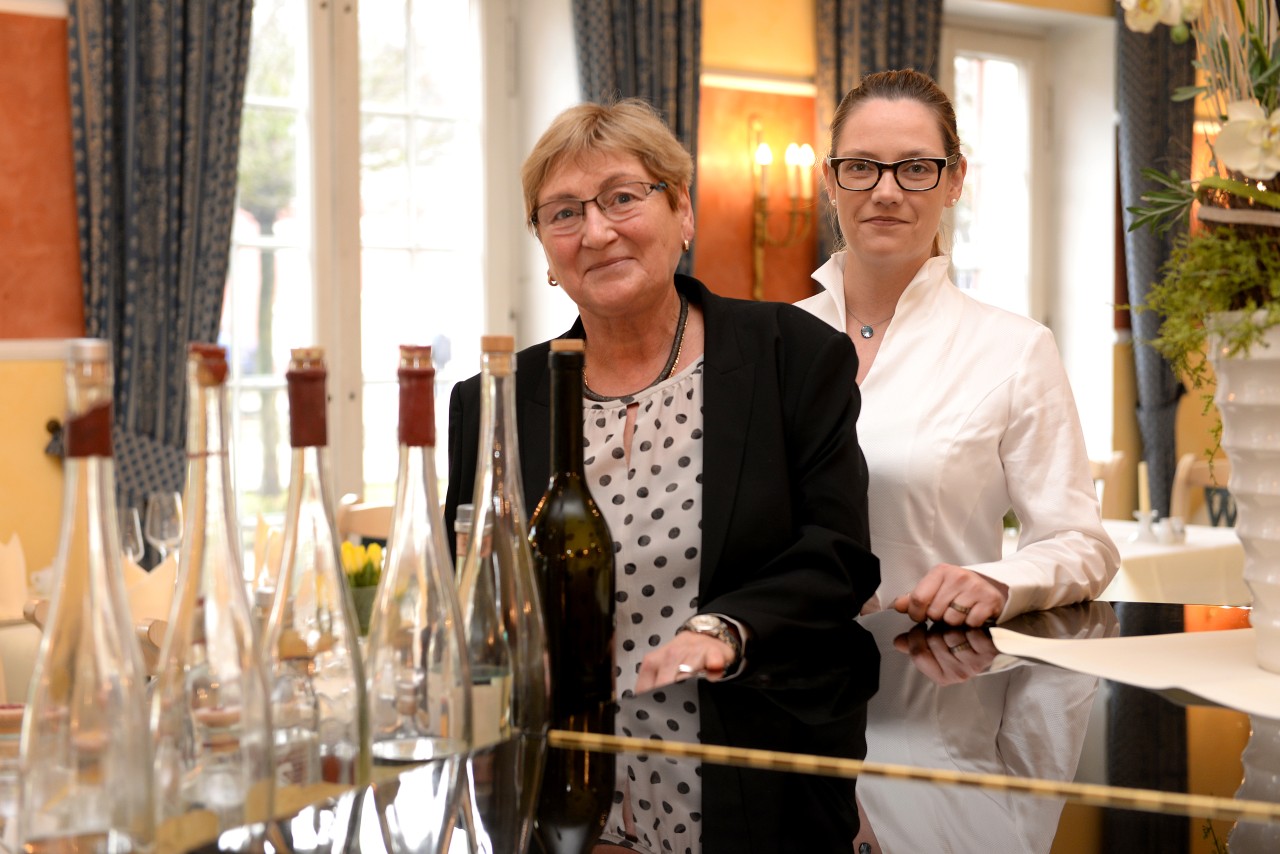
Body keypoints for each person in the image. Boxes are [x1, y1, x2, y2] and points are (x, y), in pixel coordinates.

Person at [444, 98, 880, 851]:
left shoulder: (791, 355)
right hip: (551, 795)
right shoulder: (493, 401)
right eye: (564, 213)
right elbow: (460, 588)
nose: (597, 231)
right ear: (546, 249)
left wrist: (723, 628)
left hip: (749, 786)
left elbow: (837, 553)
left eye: (621, 197)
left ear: (682, 210)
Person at [796, 69, 1119, 627]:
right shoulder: (775, 341)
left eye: (916, 168)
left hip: (937, 685)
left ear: (954, 180)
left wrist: (997, 581)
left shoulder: (1014, 349)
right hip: (784, 691)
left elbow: (1081, 543)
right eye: (861, 167)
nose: (886, 191)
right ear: (831, 180)